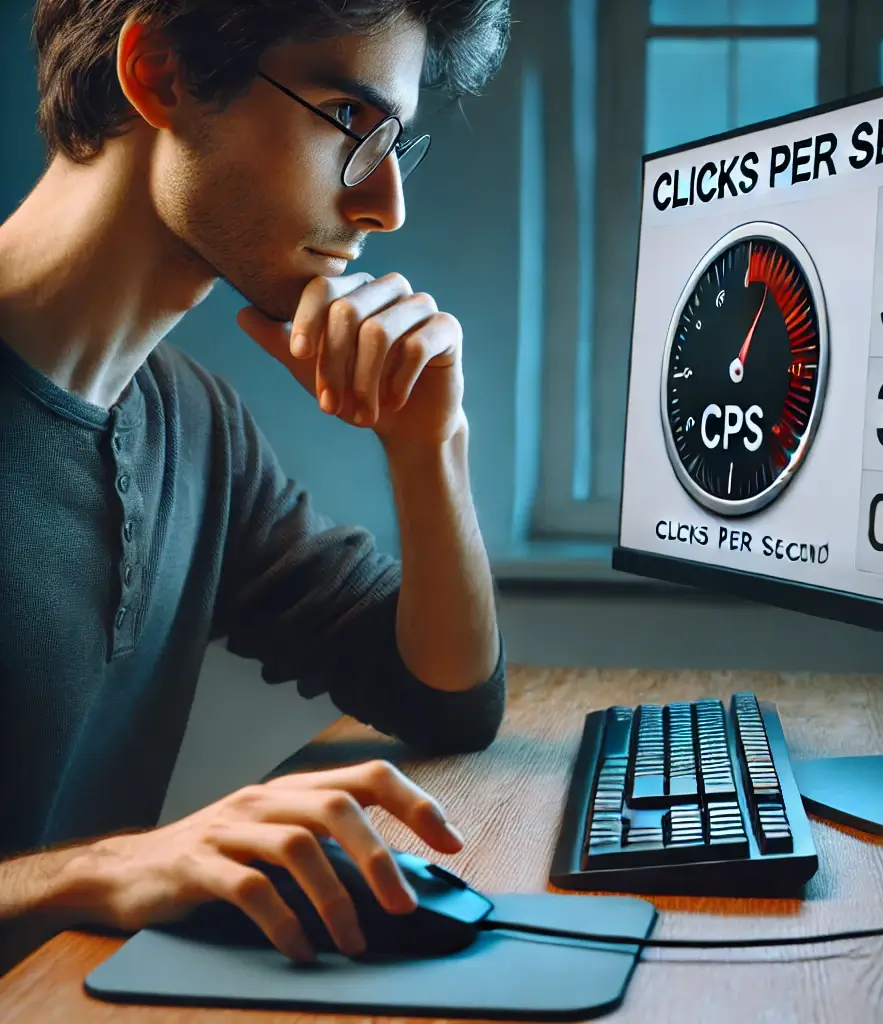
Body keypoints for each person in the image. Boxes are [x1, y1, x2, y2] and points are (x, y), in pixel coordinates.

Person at [0, 0, 511, 972]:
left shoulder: (197, 431)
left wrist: (429, 442)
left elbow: (447, 695)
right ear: (159, 73)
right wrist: (102, 869)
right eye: (351, 125)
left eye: (396, 143)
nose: (385, 205)